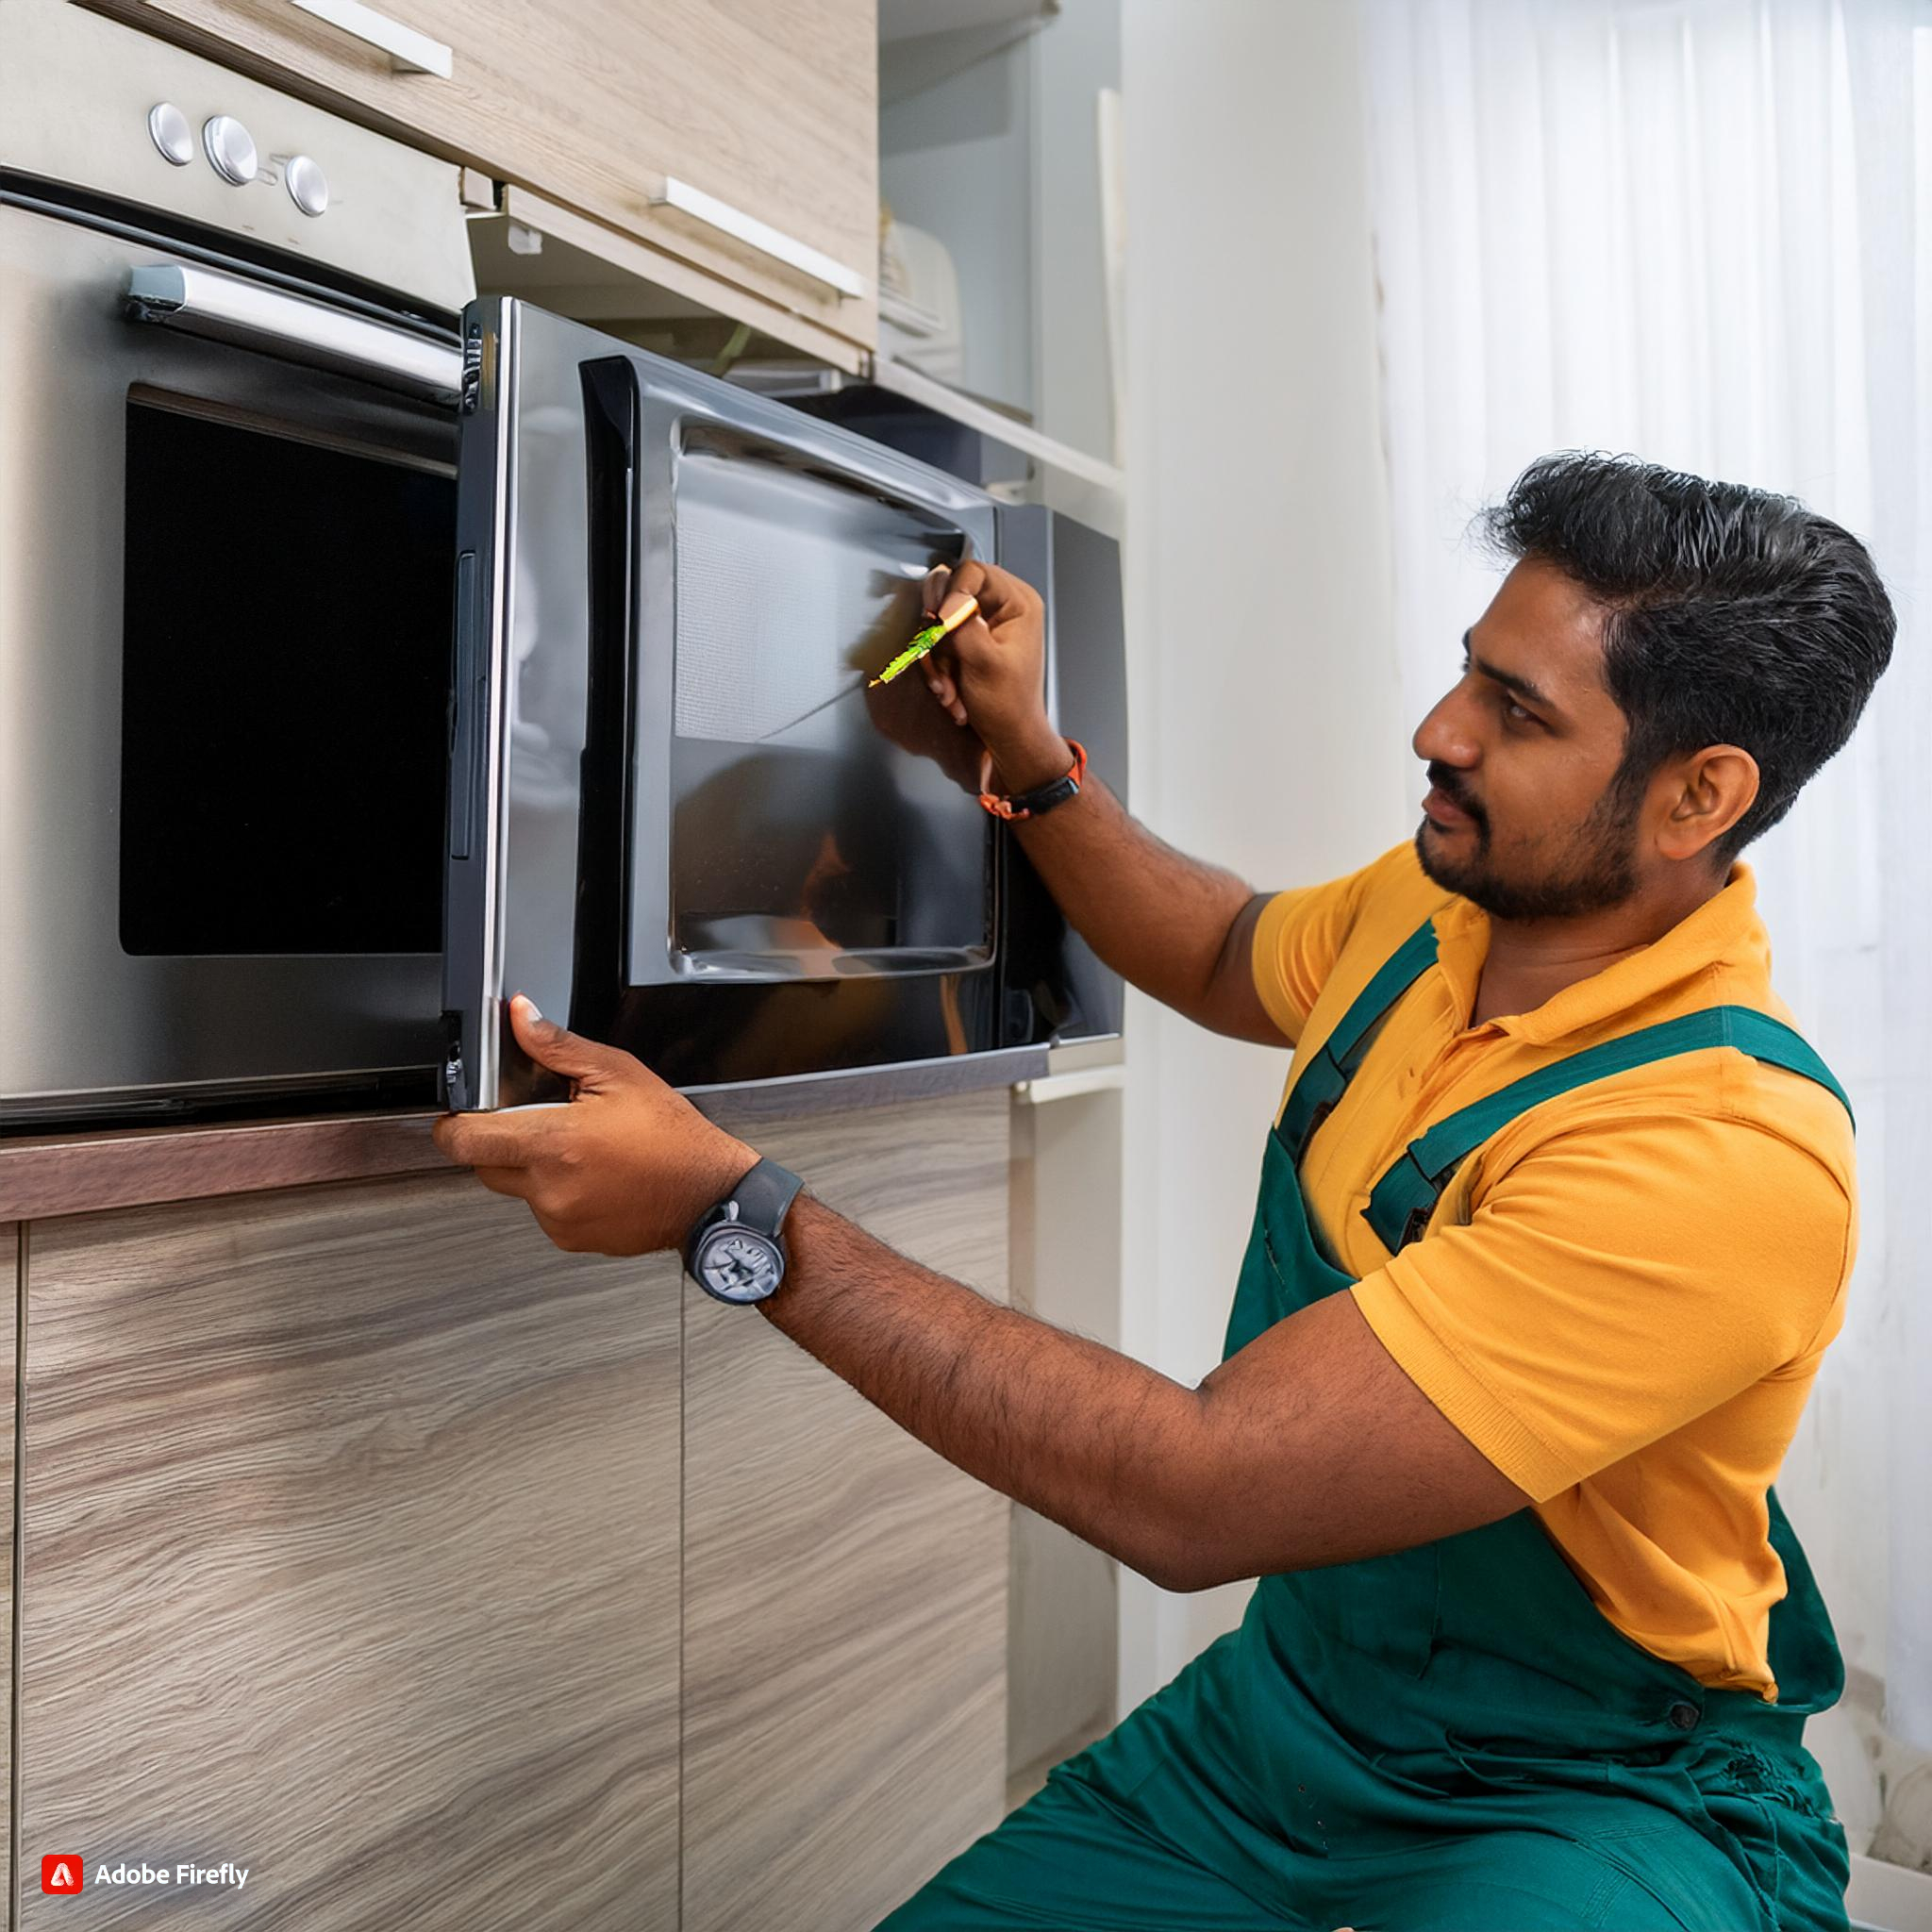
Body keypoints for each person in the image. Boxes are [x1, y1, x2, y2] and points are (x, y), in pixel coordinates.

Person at [433, 453, 1895, 1932]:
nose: (1439, 731)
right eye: (1471, 672)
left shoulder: (1720, 1153)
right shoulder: (1442, 902)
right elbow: (1223, 950)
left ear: (1699, 797)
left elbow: (1198, 1492)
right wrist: (1033, 757)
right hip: (1287, 1730)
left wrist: (729, 1213)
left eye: (1518, 714)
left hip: (1595, 1798)